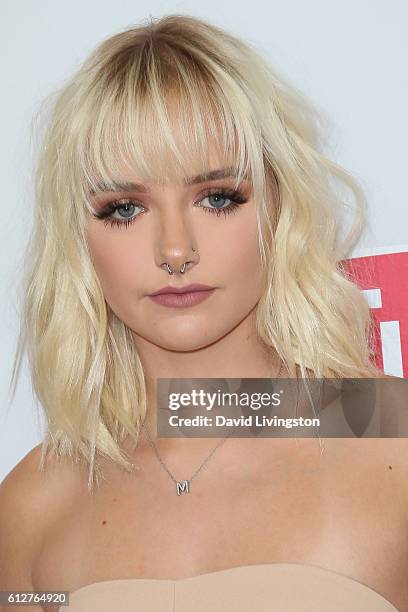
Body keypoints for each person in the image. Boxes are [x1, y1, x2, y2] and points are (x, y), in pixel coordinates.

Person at [0, 13, 406, 612]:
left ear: (278, 205)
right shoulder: (35, 499)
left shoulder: (394, 437)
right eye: (123, 208)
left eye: (218, 197)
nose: (174, 250)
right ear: (76, 237)